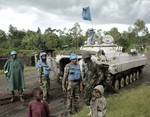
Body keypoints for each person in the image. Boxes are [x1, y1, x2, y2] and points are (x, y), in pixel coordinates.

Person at [82, 51, 104, 116]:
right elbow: (86, 75)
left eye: (84, 58)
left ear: (87, 58)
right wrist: (84, 82)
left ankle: (96, 111)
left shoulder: (95, 65)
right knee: (86, 99)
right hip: (88, 85)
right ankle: (91, 110)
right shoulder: (85, 66)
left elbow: (101, 75)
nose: (83, 60)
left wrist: (97, 83)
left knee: (94, 99)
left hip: (94, 86)